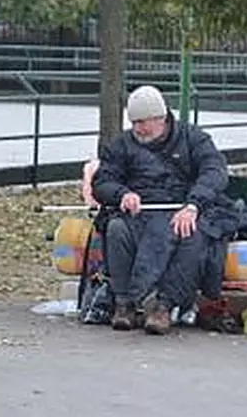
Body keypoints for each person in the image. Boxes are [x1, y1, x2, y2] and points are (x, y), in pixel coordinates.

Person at [91, 85, 232, 335]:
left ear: (161, 118)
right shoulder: (122, 145)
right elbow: (102, 181)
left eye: (142, 122)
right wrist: (122, 194)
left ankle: (164, 305)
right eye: (134, 123)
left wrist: (193, 205)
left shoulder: (194, 139)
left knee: (190, 234)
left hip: (182, 209)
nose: (137, 129)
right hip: (138, 213)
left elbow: (214, 172)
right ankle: (124, 303)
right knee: (116, 228)